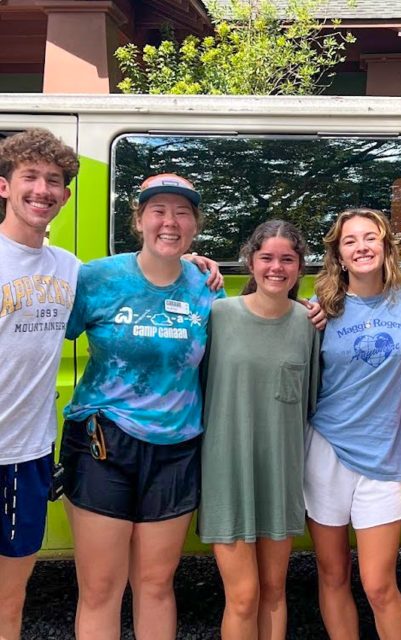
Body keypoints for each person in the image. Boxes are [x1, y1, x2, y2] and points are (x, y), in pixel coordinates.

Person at [60, 173, 225, 640]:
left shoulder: (206, 287)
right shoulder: (97, 277)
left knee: (155, 584)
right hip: (103, 445)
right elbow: (42, 334)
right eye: (159, 210)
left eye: (182, 212)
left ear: (194, 225)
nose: (169, 222)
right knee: (100, 587)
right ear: (139, 220)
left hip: (176, 449)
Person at [198, 220, 320, 640]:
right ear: (250, 261)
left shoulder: (309, 324)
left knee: (273, 590)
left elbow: (313, 401)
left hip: (280, 476)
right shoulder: (218, 315)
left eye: (287, 259)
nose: (276, 267)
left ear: (300, 267)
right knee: (244, 596)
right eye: (266, 257)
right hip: (227, 475)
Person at [304, 208, 401, 640]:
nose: (362, 247)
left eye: (371, 238)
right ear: (339, 253)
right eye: (350, 241)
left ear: (387, 247)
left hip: (384, 456)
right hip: (326, 451)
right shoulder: (322, 310)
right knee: (332, 575)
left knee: (379, 584)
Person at [0, 128, 80, 640]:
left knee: (11, 597)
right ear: (4, 186)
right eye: (29, 176)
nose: (42, 190)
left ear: (66, 195)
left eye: (54, 180)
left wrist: (192, 264)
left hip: (26, 454)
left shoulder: (69, 268)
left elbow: (136, 279)